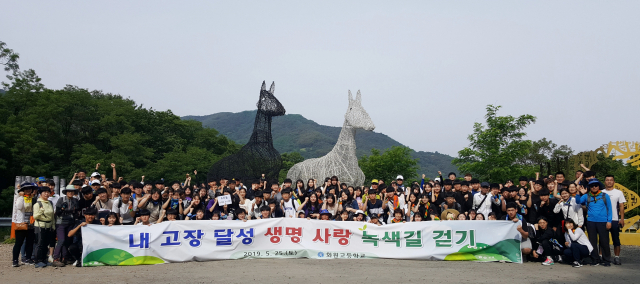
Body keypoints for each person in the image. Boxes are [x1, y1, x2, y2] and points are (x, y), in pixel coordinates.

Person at [576, 179, 612, 266]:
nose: (594, 187)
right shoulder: (587, 196)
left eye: (596, 185)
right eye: (592, 186)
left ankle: (606, 260)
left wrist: (609, 221)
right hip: (591, 222)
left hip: (603, 221)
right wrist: (578, 191)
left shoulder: (604, 196)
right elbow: (578, 201)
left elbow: (609, 209)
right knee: (592, 241)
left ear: (599, 186)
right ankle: (595, 259)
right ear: (589, 187)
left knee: (604, 241)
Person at [52, 185, 81, 267]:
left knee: (67, 240)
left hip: (71, 222)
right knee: (61, 240)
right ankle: (56, 258)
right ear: (66, 192)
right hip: (61, 222)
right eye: (69, 191)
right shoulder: (61, 200)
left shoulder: (75, 200)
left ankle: (65, 257)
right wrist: (62, 209)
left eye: (72, 191)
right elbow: (57, 212)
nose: (70, 193)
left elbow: (76, 212)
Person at [12, 182, 38, 267]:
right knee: (19, 243)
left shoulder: (33, 198)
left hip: (31, 224)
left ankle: (28, 258)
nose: (28, 190)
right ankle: (15, 260)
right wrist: (21, 196)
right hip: (22, 223)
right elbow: (19, 207)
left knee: (30, 242)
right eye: (26, 189)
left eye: (30, 189)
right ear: (22, 190)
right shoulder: (20, 198)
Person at [602, 175, 626, 265]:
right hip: (603, 219)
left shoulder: (618, 193)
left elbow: (621, 206)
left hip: (615, 219)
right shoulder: (601, 192)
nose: (609, 182)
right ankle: (602, 256)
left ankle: (616, 257)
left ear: (613, 182)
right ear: (604, 182)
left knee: (616, 239)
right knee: (603, 239)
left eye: (611, 180)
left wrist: (622, 218)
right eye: (607, 180)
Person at [33, 186, 56, 268]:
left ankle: (44, 259)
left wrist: (53, 225)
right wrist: (41, 211)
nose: (46, 194)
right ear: (41, 193)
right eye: (44, 192)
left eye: (48, 192)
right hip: (40, 226)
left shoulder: (50, 203)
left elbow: (52, 216)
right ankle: (37, 261)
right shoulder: (37, 204)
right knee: (40, 244)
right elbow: (35, 216)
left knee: (46, 243)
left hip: (49, 226)